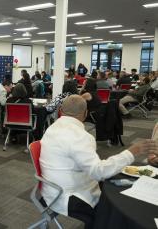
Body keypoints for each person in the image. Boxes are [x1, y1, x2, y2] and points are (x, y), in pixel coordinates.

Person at [40, 95, 155, 229]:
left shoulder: (51, 128)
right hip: (66, 196)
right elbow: (98, 172)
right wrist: (132, 151)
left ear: (60, 110)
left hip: (50, 189)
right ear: (85, 114)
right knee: (110, 212)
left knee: (113, 189)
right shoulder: (80, 136)